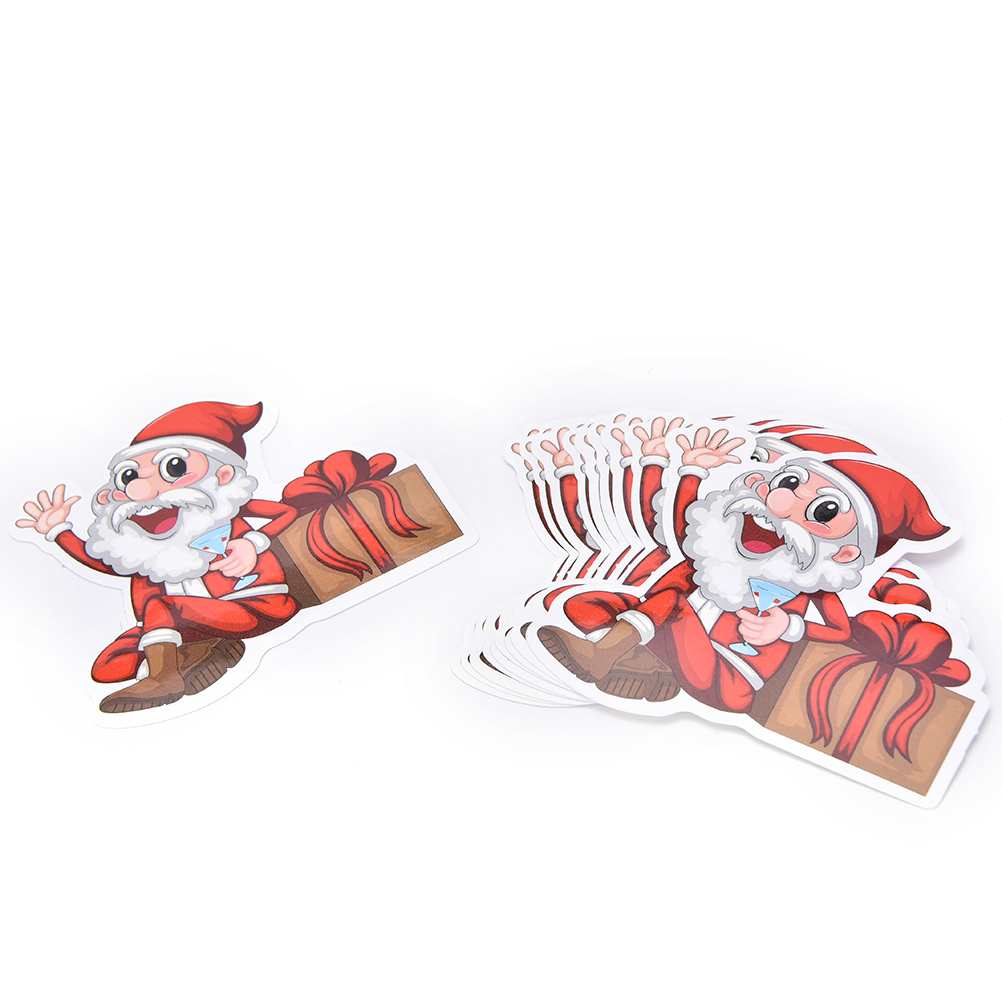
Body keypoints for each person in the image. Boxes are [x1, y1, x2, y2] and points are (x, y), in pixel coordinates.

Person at [538, 425, 949, 711]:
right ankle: (649, 668)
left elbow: (840, 630)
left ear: (843, 553)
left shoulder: (808, 590)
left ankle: (603, 654)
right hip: (674, 644)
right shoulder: (716, 550)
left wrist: (788, 626)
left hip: (726, 675)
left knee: (672, 605)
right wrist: (690, 469)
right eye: (788, 483)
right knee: (586, 604)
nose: (780, 505)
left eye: (823, 511)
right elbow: (675, 521)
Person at [16, 401, 300, 713]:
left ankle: (164, 679)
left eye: (173, 468)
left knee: (162, 607)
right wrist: (58, 531)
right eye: (129, 476)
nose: (141, 491)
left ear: (223, 474)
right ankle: (200, 653)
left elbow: (287, 512)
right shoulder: (141, 547)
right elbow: (100, 559)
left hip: (250, 604)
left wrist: (252, 543)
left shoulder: (226, 513)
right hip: (190, 624)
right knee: (108, 667)